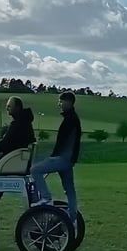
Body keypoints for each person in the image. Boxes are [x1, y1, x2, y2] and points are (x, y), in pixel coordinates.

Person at [30, 91, 82, 223]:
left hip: (63, 159)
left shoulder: (70, 120)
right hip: (68, 161)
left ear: (69, 102)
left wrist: (53, 157)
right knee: (69, 190)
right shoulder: (72, 118)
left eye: (61, 101)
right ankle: (72, 218)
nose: (59, 104)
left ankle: (46, 198)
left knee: (35, 170)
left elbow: (63, 143)